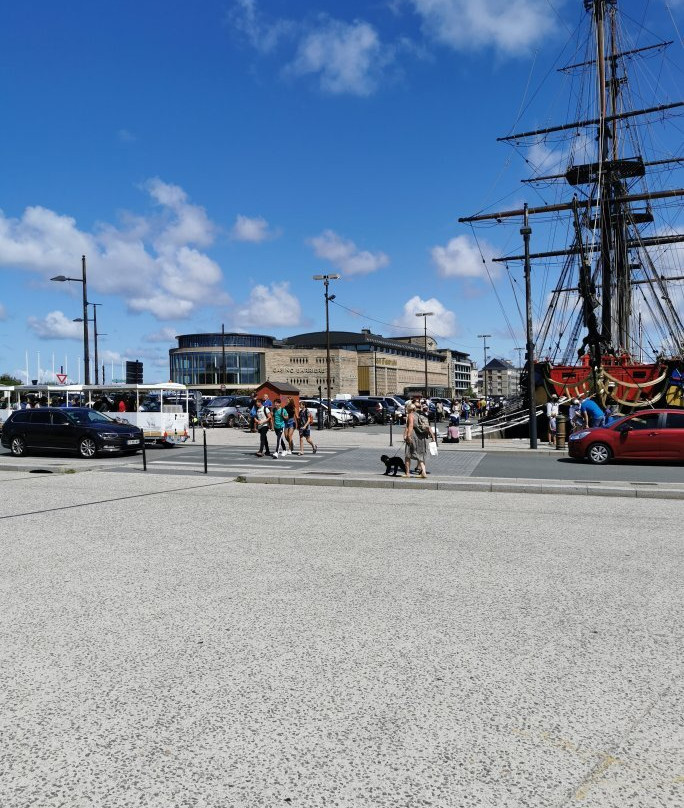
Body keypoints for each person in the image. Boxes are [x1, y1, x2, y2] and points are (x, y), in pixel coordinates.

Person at [403, 401, 434, 479]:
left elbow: (410, 426)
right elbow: (428, 426)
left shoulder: (411, 415)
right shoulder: (422, 415)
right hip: (422, 437)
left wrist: (408, 436)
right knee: (421, 455)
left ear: (409, 409)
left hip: (413, 436)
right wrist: (433, 437)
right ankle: (423, 472)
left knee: (408, 455)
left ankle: (407, 473)